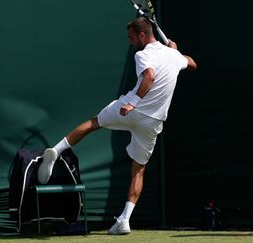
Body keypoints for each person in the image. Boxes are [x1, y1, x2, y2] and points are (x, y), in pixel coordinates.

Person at [37, 17, 197, 234]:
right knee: (138, 170)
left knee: (93, 123)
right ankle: (125, 219)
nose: (131, 42)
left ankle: (56, 151)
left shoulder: (143, 54)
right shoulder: (174, 57)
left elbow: (149, 76)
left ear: (142, 35)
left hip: (131, 110)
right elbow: (192, 64)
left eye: (132, 37)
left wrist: (133, 103)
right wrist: (175, 51)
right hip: (152, 122)